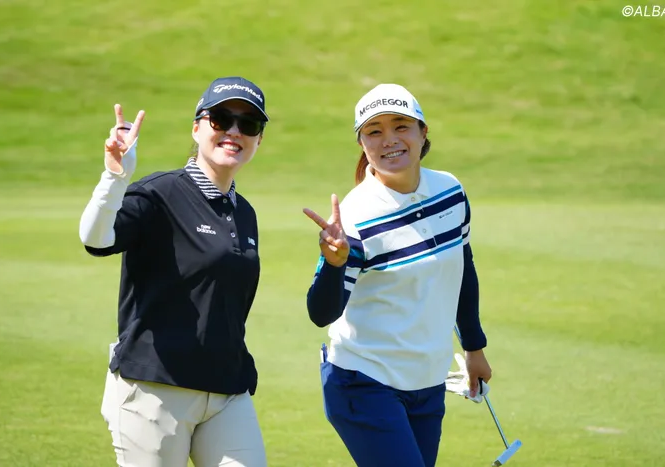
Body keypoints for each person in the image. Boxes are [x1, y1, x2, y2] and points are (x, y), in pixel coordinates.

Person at [78, 76, 270, 467]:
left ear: (258, 139)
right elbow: (96, 239)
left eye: (248, 124)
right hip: (155, 389)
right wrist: (115, 177)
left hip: (227, 391)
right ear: (197, 128)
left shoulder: (244, 212)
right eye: (221, 119)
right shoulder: (159, 193)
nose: (235, 131)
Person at [303, 83, 493, 467]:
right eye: (374, 131)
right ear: (363, 145)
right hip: (364, 382)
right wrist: (335, 264)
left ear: (423, 133)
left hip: (428, 383)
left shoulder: (450, 190)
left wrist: (474, 348)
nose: (389, 139)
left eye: (401, 126)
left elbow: (462, 270)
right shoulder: (355, 216)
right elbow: (321, 313)